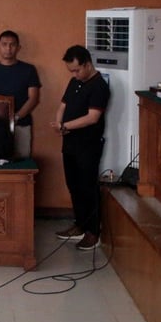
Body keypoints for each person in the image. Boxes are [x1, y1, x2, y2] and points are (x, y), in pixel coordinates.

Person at [51, 45, 110, 251]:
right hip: (69, 143)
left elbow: (92, 118)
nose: (74, 75)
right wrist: (59, 124)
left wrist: (65, 126)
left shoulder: (99, 86)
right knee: (73, 185)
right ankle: (80, 224)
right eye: (71, 71)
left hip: (88, 144)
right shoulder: (75, 82)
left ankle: (93, 232)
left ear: (87, 64)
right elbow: (63, 106)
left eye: (77, 70)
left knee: (87, 187)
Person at [0, 30, 41, 159]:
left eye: (12, 45)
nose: (8, 48)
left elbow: (33, 98)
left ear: (18, 47)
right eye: (4, 44)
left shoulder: (29, 69)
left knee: (21, 159)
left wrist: (16, 117)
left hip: (21, 123)